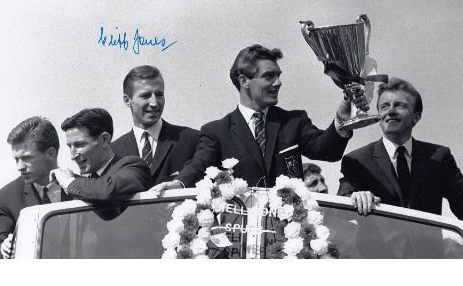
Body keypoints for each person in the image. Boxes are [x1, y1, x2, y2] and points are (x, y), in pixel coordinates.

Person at [152, 44, 368, 192]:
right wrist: (179, 184)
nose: (278, 83)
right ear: (244, 81)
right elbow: (199, 165)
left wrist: (341, 121)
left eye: (278, 75)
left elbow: (326, 151)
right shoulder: (216, 131)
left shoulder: (294, 122)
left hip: (288, 236)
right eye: (268, 76)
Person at [338, 78, 463, 218]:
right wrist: (355, 197)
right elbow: (342, 204)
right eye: (384, 106)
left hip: (426, 240)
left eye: (399, 106)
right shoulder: (358, 160)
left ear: (416, 117)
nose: (390, 111)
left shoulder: (439, 157)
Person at [0, 117, 73, 259]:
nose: (19, 167)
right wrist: (3, 248)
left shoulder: (82, 188)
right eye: (16, 159)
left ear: (51, 153)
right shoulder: (6, 197)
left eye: (26, 158)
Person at [111, 65, 199, 186]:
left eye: (159, 94)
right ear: (127, 100)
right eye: (145, 95)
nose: (154, 103)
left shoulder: (191, 140)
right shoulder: (114, 151)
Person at [50, 108, 152, 203]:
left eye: (79, 145)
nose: (72, 156)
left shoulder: (134, 167)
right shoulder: (84, 183)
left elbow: (107, 191)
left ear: (104, 140)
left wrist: (69, 182)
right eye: (69, 146)